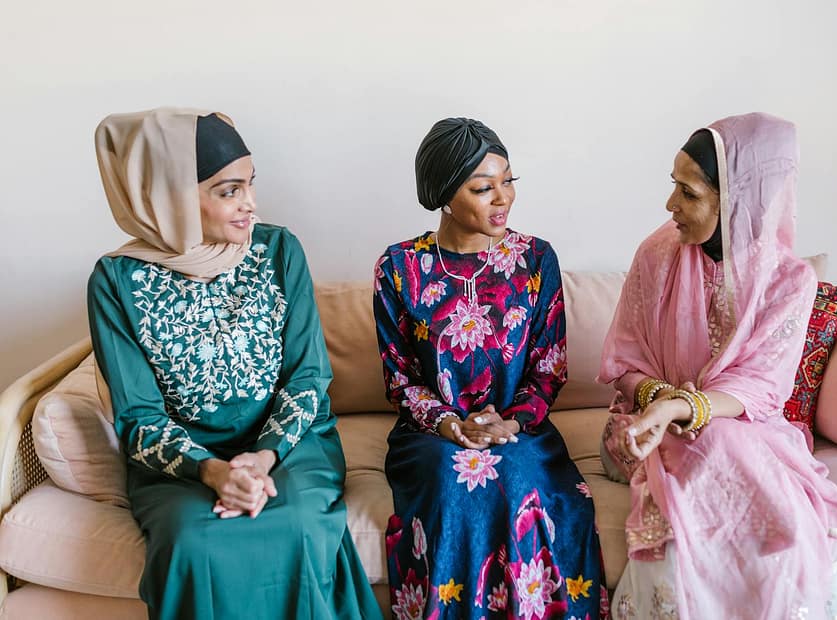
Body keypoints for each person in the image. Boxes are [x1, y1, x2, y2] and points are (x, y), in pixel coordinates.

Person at [88, 108, 380, 619]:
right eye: (229, 191)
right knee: (193, 546)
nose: (251, 206)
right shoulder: (116, 282)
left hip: (291, 447)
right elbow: (137, 416)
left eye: (249, 185)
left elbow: (308, 377)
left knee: (301, 526)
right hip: (182, 465)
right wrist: (213, 472)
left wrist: (262, 459)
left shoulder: (278, 250)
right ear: (170, 197)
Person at [597, 113, 837, 619]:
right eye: (674, 187)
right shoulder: (655, 255)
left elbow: (760, 390)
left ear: (735, 198)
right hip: (640, 430)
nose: (671, 205)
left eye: (688, 193)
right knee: (720, 447)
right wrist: (658, 406)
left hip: (744, 429)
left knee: (723, 441)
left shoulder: (788, 282)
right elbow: (625, 362)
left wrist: (684, 409)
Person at [373, 117, 607, 619]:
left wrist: (512, 421)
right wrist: (449, 423)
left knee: (515, 477)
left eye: (508, 182)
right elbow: (400, 378)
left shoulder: (536, 259)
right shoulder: (398, 268)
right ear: (444, 194)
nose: (503, 198)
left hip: (520, 428)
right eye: (484, 188)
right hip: (431, 433)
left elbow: (548, 367)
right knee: (457, 481)